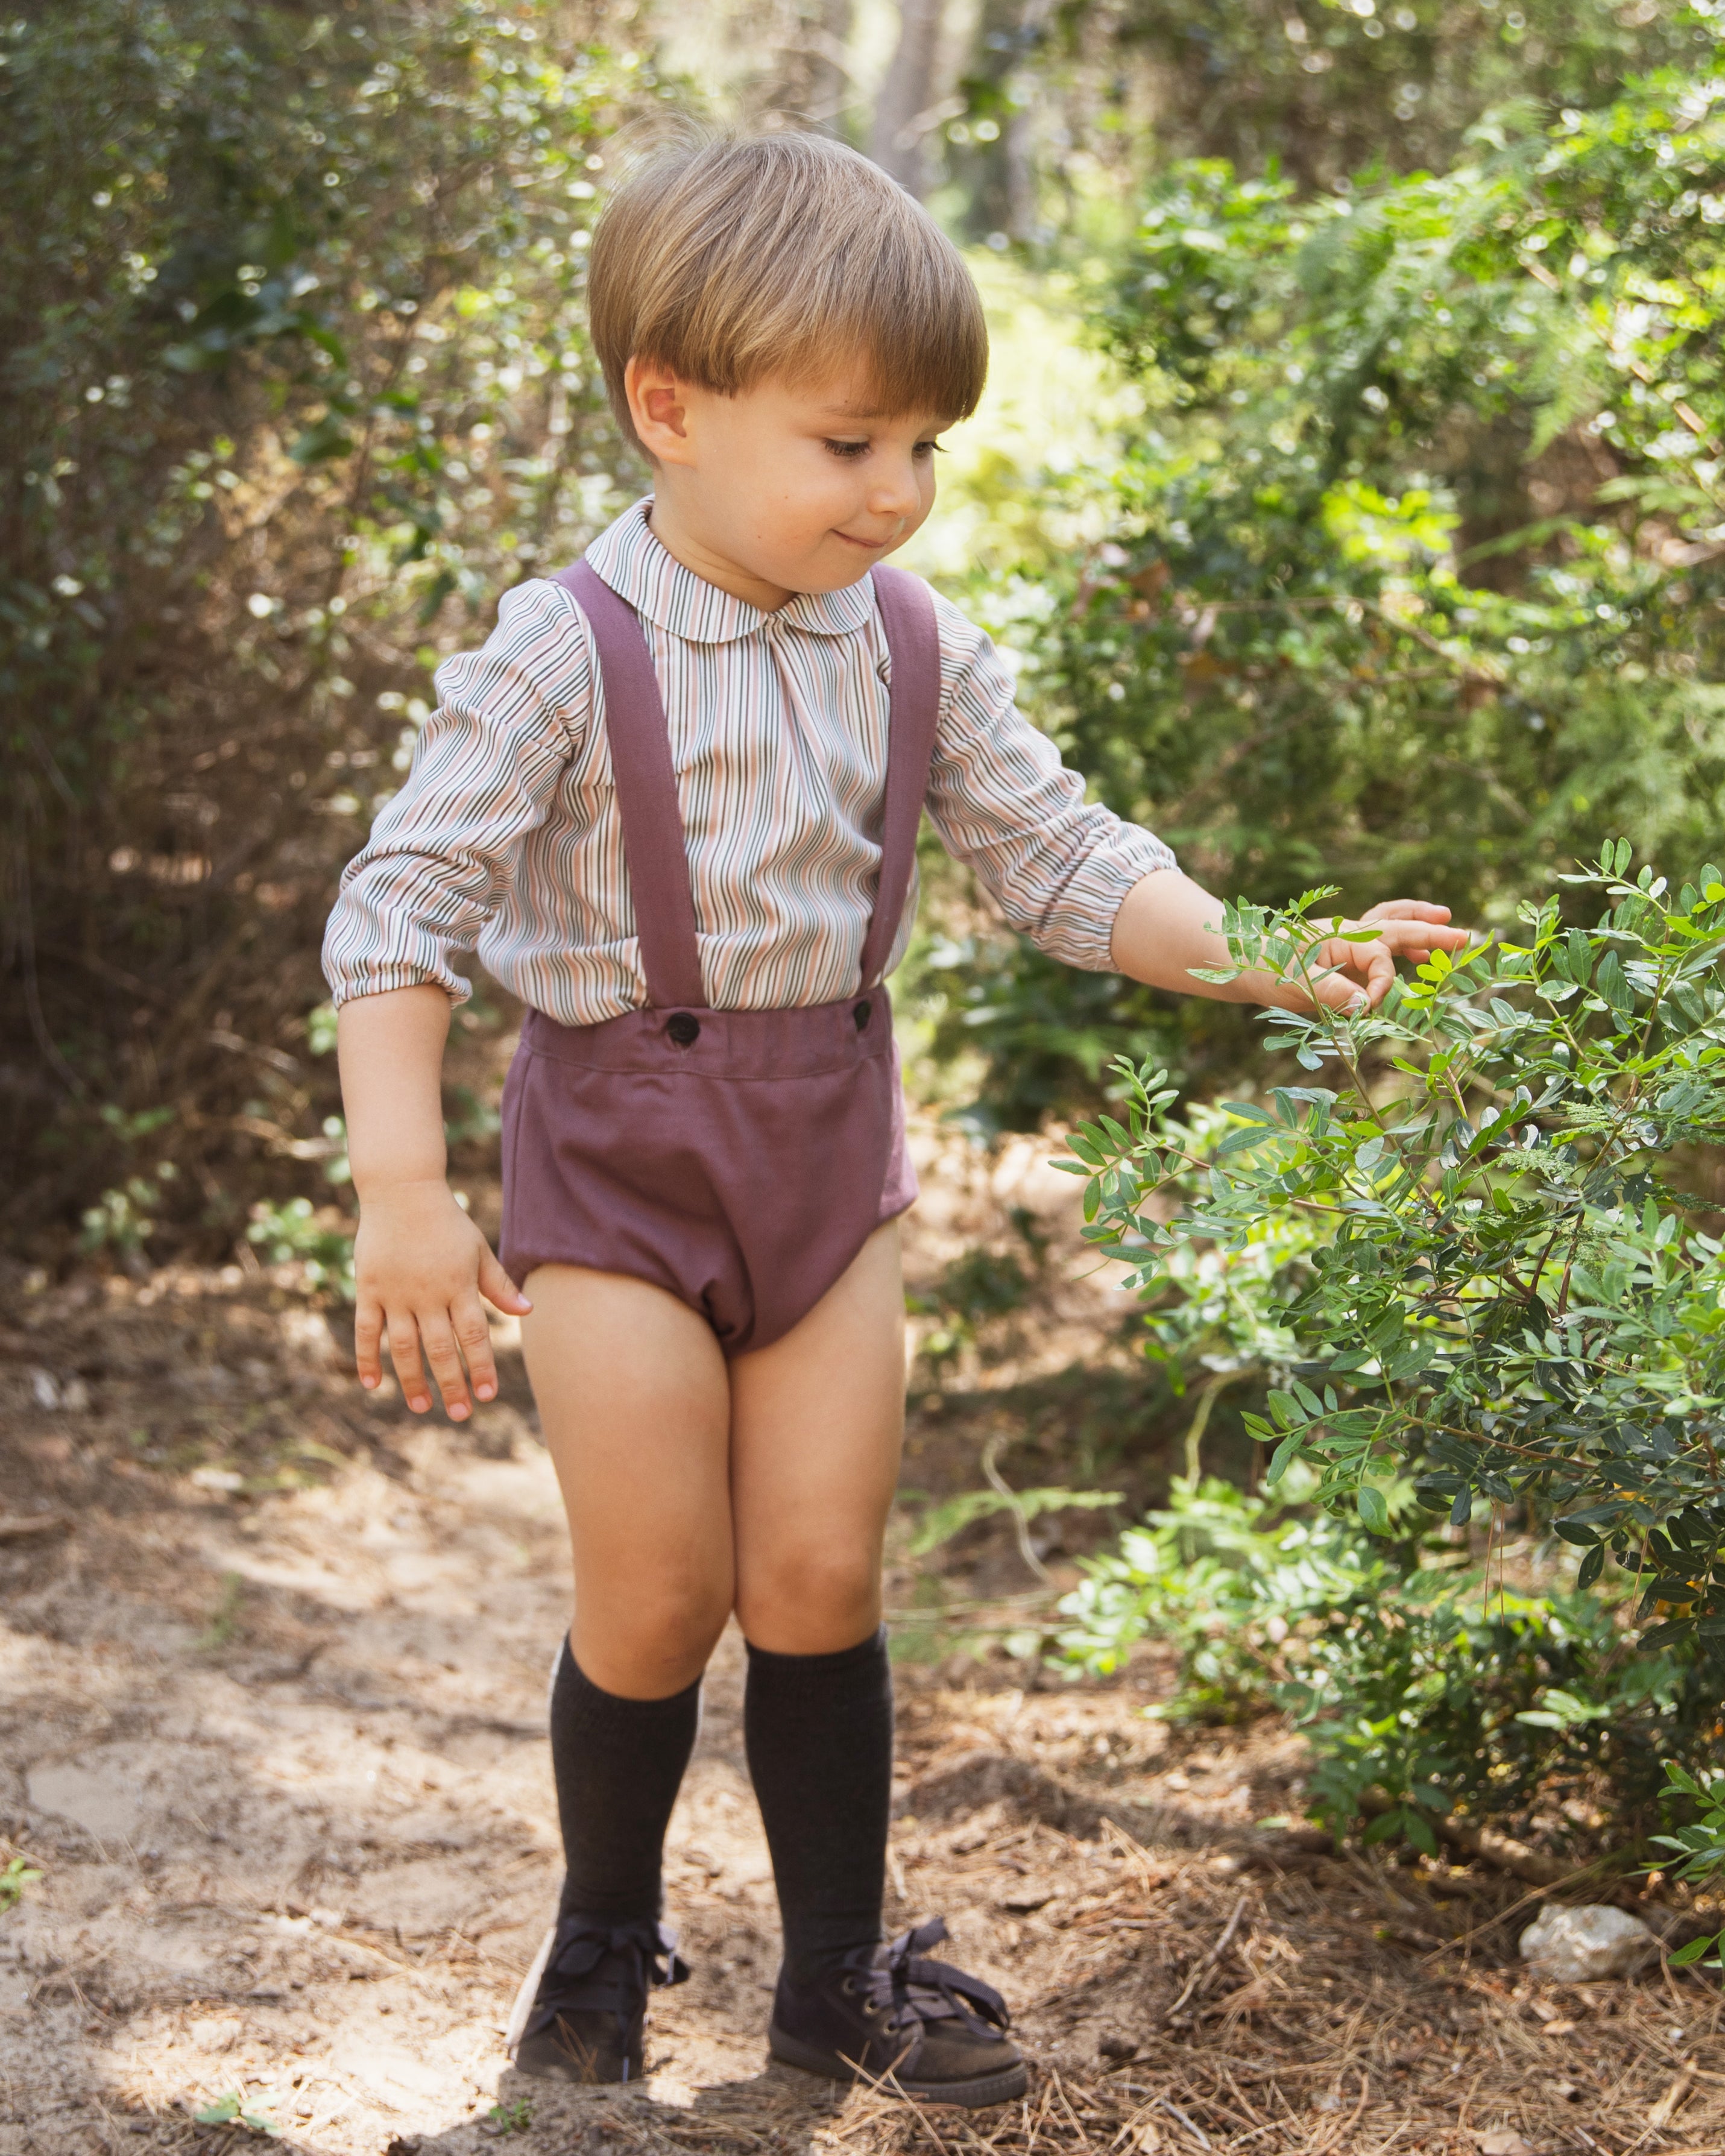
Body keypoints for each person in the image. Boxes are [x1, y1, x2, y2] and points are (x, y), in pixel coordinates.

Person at [322, 129, 1466, 2109]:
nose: (899, 492)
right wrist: (406, 1201)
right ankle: (599, 1940)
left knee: (825, 1575)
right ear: (668, 410)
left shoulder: (914, 643)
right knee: (662, 1591)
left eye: (926, 446)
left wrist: (1279, 949)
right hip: (612, 1157)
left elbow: (1063, 861)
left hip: (825, 1156)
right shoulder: (560, 654)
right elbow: (394, 912)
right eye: (851, 443)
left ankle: (835, 1976)